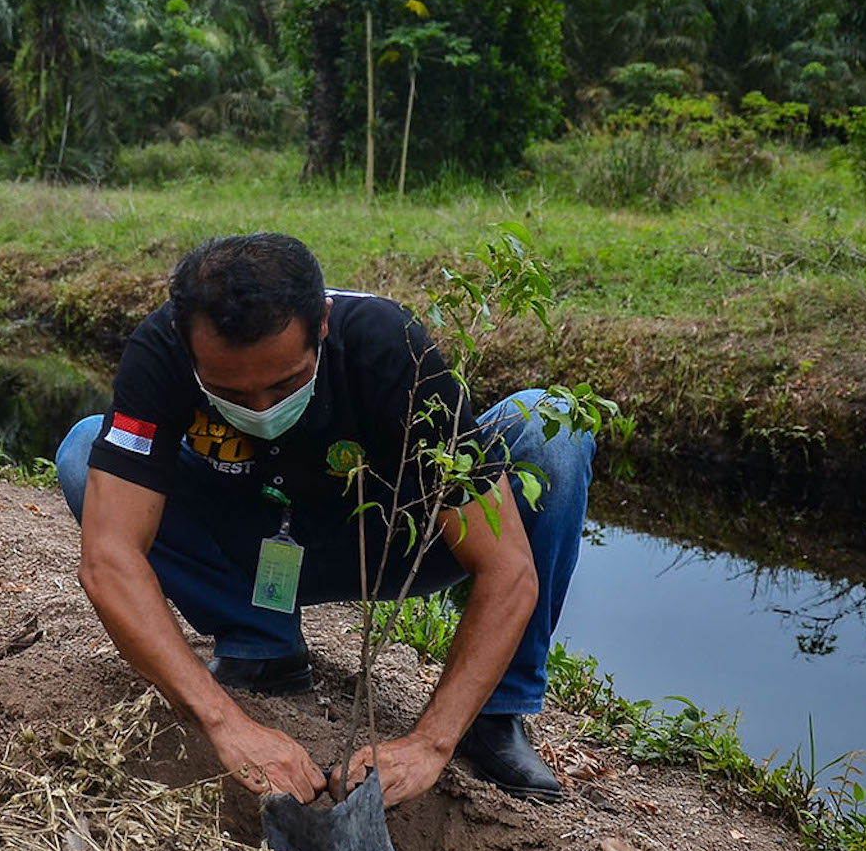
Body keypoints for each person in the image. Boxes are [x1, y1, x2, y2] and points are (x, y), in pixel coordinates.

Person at [57, 233, 593, 808]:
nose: (261, 409)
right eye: (229, 391)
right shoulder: (161, 349)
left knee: (551, 427)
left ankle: (494, 714)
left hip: (393, 539)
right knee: (87, 453)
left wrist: (431, 743)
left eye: (285, 383)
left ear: (323, 325)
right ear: (188, 347)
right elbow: (110, 558)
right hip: (252, 540)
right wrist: (223, 721)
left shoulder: (388, 347)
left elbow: (507, 570)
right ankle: (262, 644)